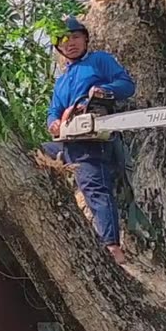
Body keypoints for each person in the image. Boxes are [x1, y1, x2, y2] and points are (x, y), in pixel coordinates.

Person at [42, 16, 136, 264]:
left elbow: (126, 85)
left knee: (96, 188)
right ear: (58, 46)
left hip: (93, 140)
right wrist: (53, 123)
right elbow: (54, 110)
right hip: (67, 141)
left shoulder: (99, 61)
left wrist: (105, 91)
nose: (70, 43)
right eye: (64, 39)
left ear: (85, 38)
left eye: (75, 37)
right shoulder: (62, 80)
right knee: (35, 154)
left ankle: (112, 246)